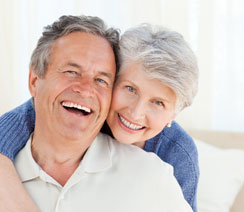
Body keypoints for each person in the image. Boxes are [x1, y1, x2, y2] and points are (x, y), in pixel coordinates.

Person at [0, 15, 194, 212]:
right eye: (130, 89)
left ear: (173, 115)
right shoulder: (23, 127)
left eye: (101, 80)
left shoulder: (166, 165)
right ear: (34, 81)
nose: (135, 113)